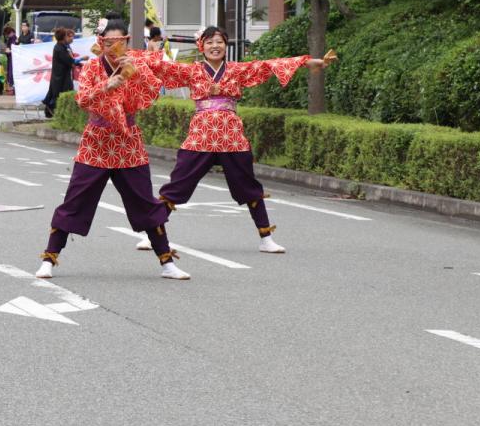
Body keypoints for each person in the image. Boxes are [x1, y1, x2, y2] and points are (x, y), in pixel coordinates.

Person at [134, 25, 334, 254]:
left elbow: (268, 66)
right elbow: (159, 67)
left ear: (226, 46)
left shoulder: (237, 70)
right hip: (201, 136)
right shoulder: (192, 71)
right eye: (209, 42)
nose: (215, 46)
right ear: (202, 47)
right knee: (176, 186)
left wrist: (308, 62)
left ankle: (266, 238)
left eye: (219, 42)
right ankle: (153, 234)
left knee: (248, 187)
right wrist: (128, 54)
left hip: (232, 137)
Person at [36, 18, 190, 281]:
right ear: (102, 42)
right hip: (96, 141)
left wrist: (136, 74)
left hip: (128, 142)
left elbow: (150, 97)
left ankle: (167, 262)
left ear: (127, 42)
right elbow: (82, 99)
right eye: (109, 42)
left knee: (144, 202)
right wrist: (106, 86)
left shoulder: (136, 65)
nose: (114, 47)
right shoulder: (92, 67)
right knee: (75, 200)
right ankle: (49, 259)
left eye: (120, 42)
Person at [42, 27, 81, 118]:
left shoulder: (64, 47)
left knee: (62, 93)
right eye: (67, 36)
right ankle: (51, 111)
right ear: (63, 37)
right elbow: (69, 60)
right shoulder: (59, 48)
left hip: (64, 75)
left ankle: (61, 113)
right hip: (59, 76)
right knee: (58, 94)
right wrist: (80, 60)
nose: (70, 38)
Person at [2, 25, 17, 93]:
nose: (8, 35)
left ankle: (12, 88)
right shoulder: (10, 39)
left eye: (8, 34)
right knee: (10, 73)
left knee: (12, 73)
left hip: (13, 58)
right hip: (10, 58)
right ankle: (11, 87)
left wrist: (10, 50)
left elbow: (16, 49)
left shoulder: (15, 39)